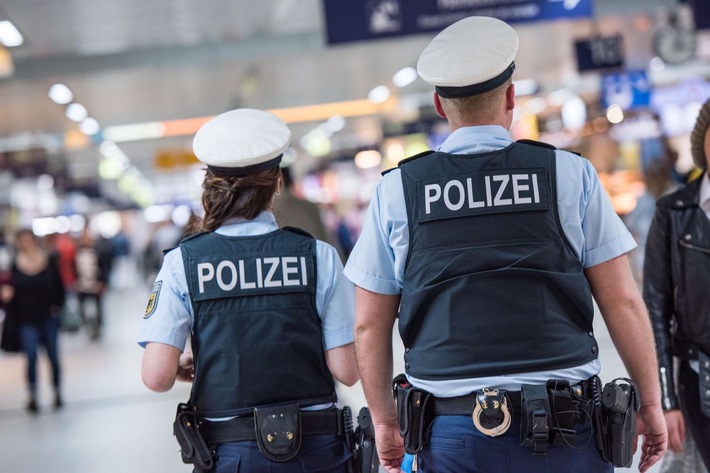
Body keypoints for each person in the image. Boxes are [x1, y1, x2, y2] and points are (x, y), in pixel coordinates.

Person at [344, 16, 667, 473]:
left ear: (439, 105)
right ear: (511, 96)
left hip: (451, 434)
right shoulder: (568, 175)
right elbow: (622, 301)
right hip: (567, 431)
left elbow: (368, 326)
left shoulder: (398, 191)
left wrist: (384, 421)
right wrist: (650, 403)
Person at [138, 108, 359, 472]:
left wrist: (191, 363)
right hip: (317, 450)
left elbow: (156, 376)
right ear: (277, 184)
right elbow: (347, 370)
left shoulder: (184, 262)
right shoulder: (318, 256)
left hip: (231, 453)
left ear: (209, 185)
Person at [644, 97, 710, 470]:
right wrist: (665, 400)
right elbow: (655, 310)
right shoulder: (673, 213)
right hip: (695, 384)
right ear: (702, 142)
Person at [0, 228, 66, 412]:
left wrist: (57, 307)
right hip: (25, 319)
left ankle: (57, 390)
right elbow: (8, 287)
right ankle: (33, 393)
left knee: (52, 355)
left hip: (48, 316)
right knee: (30, 356)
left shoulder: (49, 260)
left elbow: (59, 287)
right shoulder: (15, 264)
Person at [273, 166, 344, 259]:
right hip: (312, 259)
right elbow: (324, 237)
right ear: (292, 182)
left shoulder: (272, 209)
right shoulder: (308, 206)